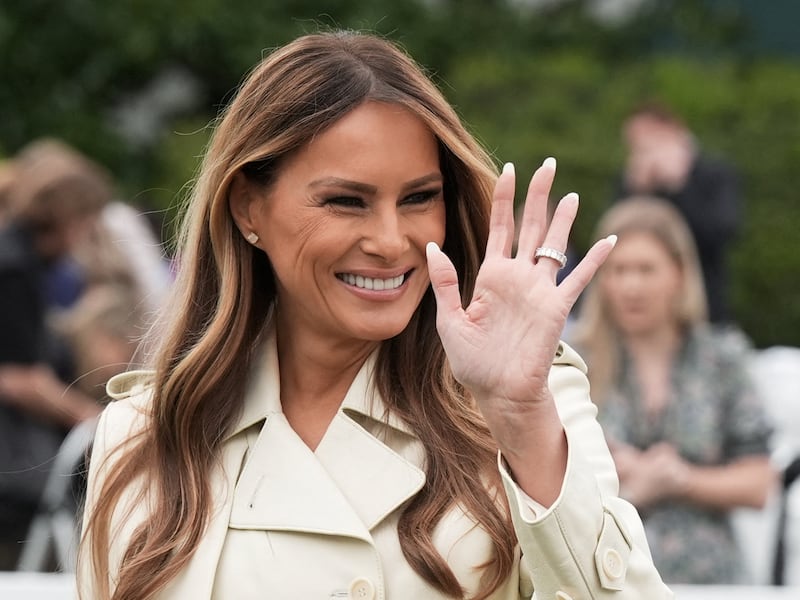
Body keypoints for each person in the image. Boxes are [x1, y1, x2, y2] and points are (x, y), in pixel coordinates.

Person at [78, 31, 671, 599]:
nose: (391, 241)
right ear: (248, 207)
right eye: (346, 201)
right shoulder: (140, 433)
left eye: (418, 198)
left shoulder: (532, 399)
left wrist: (521, 421)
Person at [570, 196, 776, 584]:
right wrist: (624, 482)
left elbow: (759, 483)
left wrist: (682, 479)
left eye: (646, 270)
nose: (630, 285)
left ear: (679, 273)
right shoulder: (575, 362)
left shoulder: (721, 358)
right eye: (617, 271)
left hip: (710, 580)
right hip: (606, 576)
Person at [0, 138, 114, 569]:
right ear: (67, 217)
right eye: (88, 222)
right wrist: (92, 419)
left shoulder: (23, 260)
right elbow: (16, 377)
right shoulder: (12, 266)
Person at [615, 102, 740, 324]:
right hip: (645, 313)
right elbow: (614, 239)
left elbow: (720, 233)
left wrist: (678, 187)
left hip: (705, 306)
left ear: (673, 132)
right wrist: (636, 191)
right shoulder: (631, 183)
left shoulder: (714, 173)